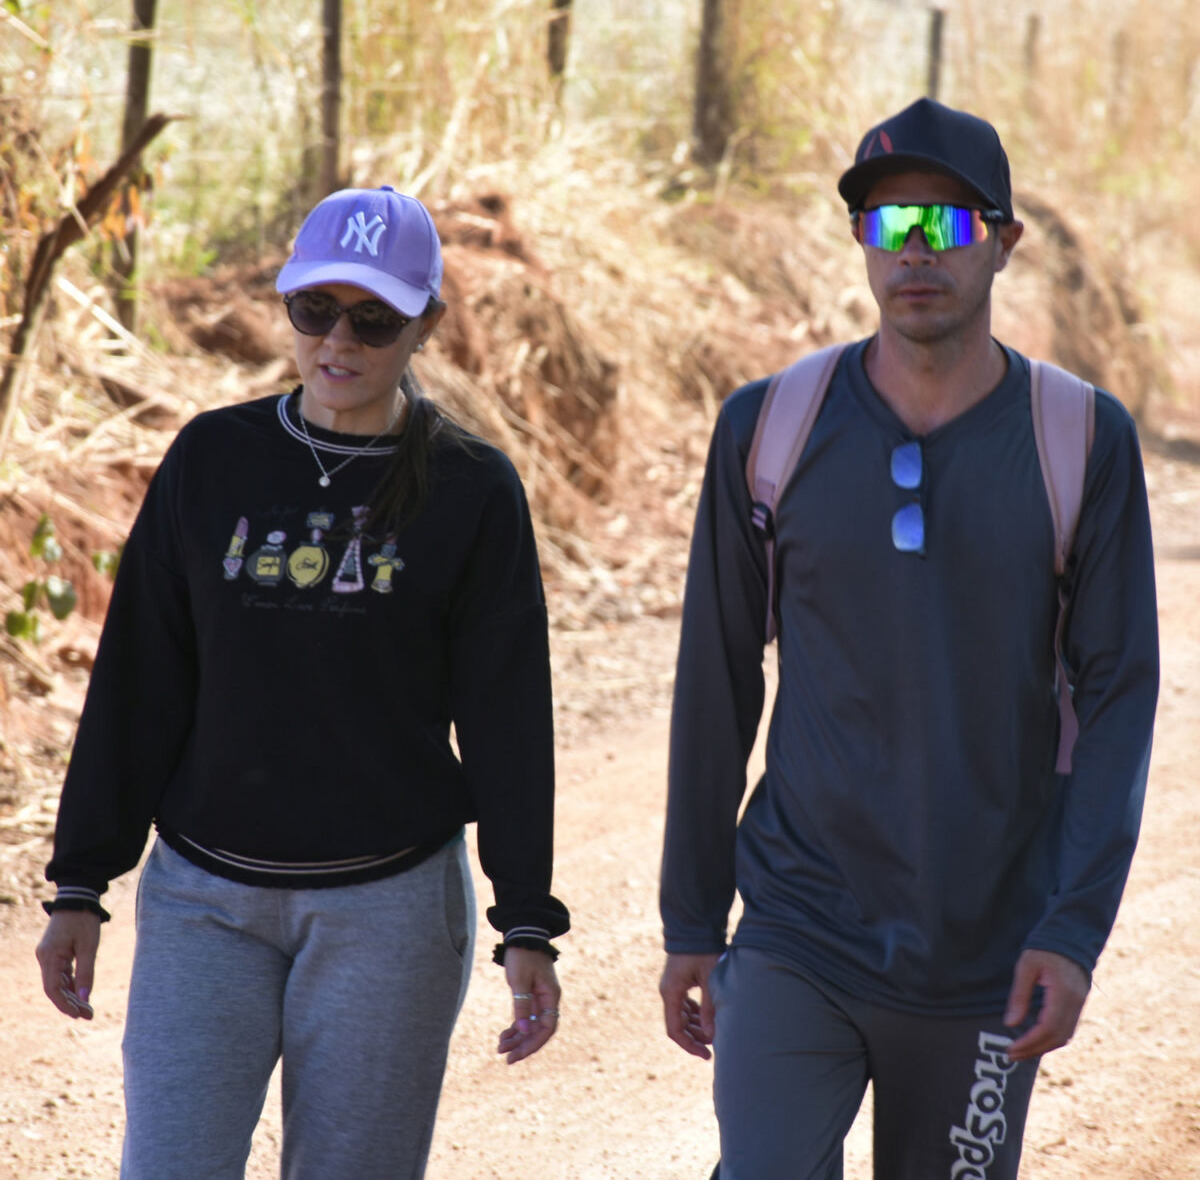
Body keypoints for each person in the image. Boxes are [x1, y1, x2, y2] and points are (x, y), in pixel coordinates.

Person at [658, 98, 1158, 1179]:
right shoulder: (769, 428)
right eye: (891, 224)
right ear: (859, 238)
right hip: (798, 928)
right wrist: (691, 916)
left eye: (948, 222)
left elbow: (1119, 696)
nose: (916, 251)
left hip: (989, 957)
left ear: (1004, 241)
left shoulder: (1080, 439)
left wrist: (1072, 930)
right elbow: (717, 679)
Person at [35, 185, 569, 1179]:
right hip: (204, 902)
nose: (339, 340)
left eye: (374, 319)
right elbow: (141, 677)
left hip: (389, 911)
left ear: (425, 324)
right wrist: (81, 880)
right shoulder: (213, 458)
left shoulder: (471, 489)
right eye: (314, 309)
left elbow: (507, 718)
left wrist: (526, 917)